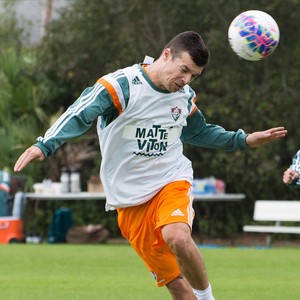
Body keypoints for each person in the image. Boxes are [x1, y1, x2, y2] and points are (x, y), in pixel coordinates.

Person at [14, 31, 287, 300]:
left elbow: (199, 132)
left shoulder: (183, 96)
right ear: (166, 54)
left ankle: (207, 297)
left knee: (177, 237)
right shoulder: (121, 85)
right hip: (129, 199)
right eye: (184, 70)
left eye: (193, 75)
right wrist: (44, 144)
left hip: (171, 180)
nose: (186, 80)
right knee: (176, 285)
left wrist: (243, 140)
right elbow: (79, 114)